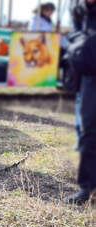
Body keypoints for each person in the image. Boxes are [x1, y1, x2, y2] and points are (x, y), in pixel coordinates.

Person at [66, 0, 96, 205]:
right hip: (90, 75)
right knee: (88, 131)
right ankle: (88, 189)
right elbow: (76, 35)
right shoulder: (79, 9)